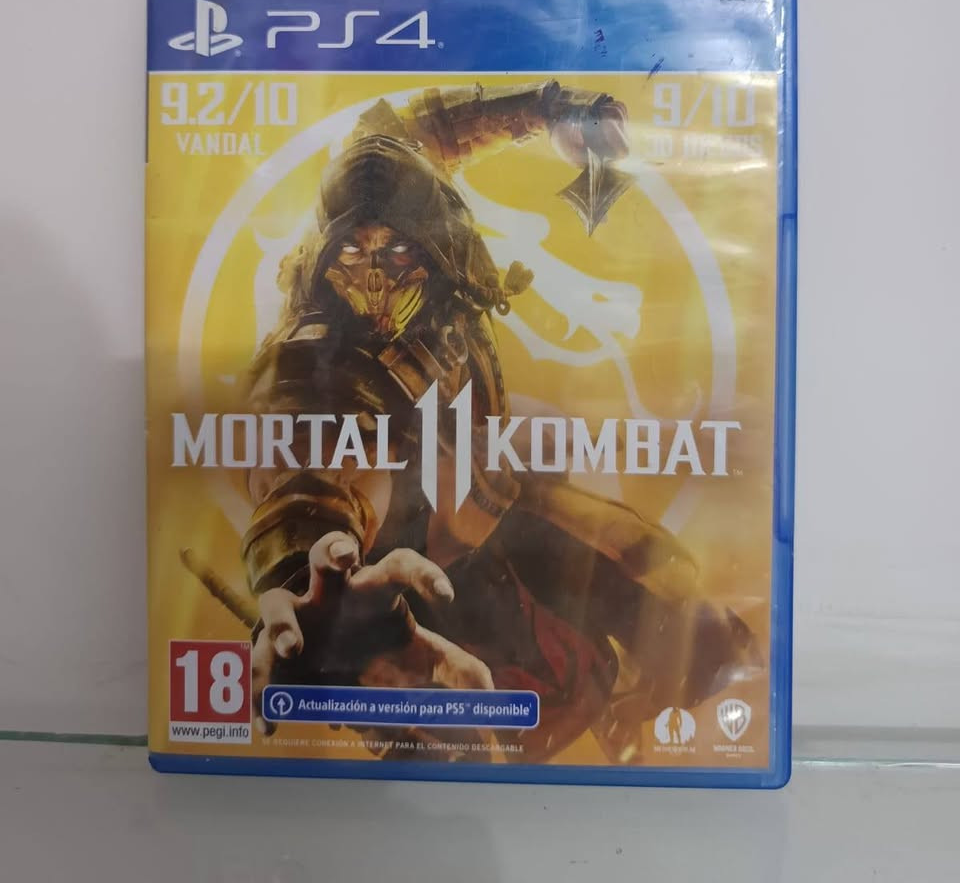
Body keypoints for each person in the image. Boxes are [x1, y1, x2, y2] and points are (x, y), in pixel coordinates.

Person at [241, 81, 757, 760]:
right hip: (422, 555)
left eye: (395, 253)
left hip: (485, 484)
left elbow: (431, 131)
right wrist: (303, 582)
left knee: (682, 609)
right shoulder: (314, 354)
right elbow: (308, 469)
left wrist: (549, 109)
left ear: (434, 241)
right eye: (352, 255)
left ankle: (651, 700)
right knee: (496, 714)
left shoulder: (393, 176)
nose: (372, 280)